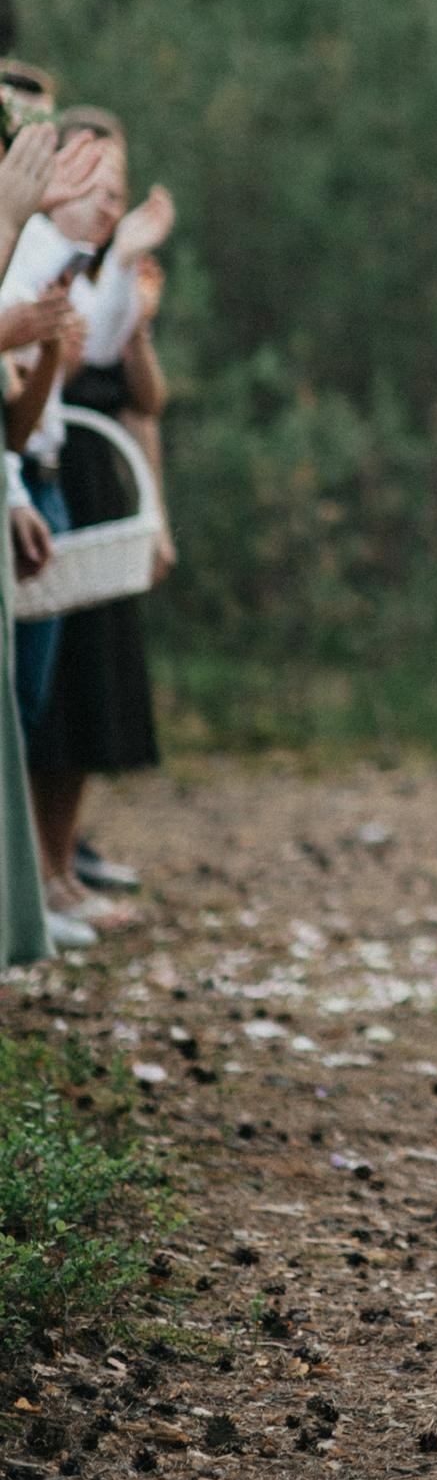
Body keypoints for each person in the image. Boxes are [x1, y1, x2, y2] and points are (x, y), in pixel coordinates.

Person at [1, 114, 172, 927]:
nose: (106, 206)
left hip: (42, 474)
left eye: (115, 195)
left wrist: (129, 260)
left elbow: (84, 373)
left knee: (30, 701)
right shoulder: (27, 247)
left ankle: (39, 888)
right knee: (26, 701)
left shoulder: (67, 262)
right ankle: (31, 889)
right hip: (29, 482)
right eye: (94, 189)